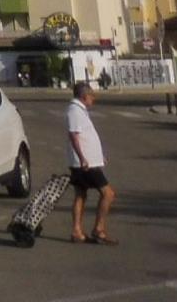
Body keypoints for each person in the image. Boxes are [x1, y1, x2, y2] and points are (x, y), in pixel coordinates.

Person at [66, 79, 116, 245]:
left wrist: (99, 155)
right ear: (84, 96)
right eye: (92, 96)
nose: (93, 99)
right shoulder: (75, 111)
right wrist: (83, 158)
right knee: (108, 194)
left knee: (81, 194)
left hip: (87, 162)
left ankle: (77, 231)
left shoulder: (80, 110)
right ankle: (98, 229)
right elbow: (74, 135)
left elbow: (86, 136)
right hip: (85, 165)